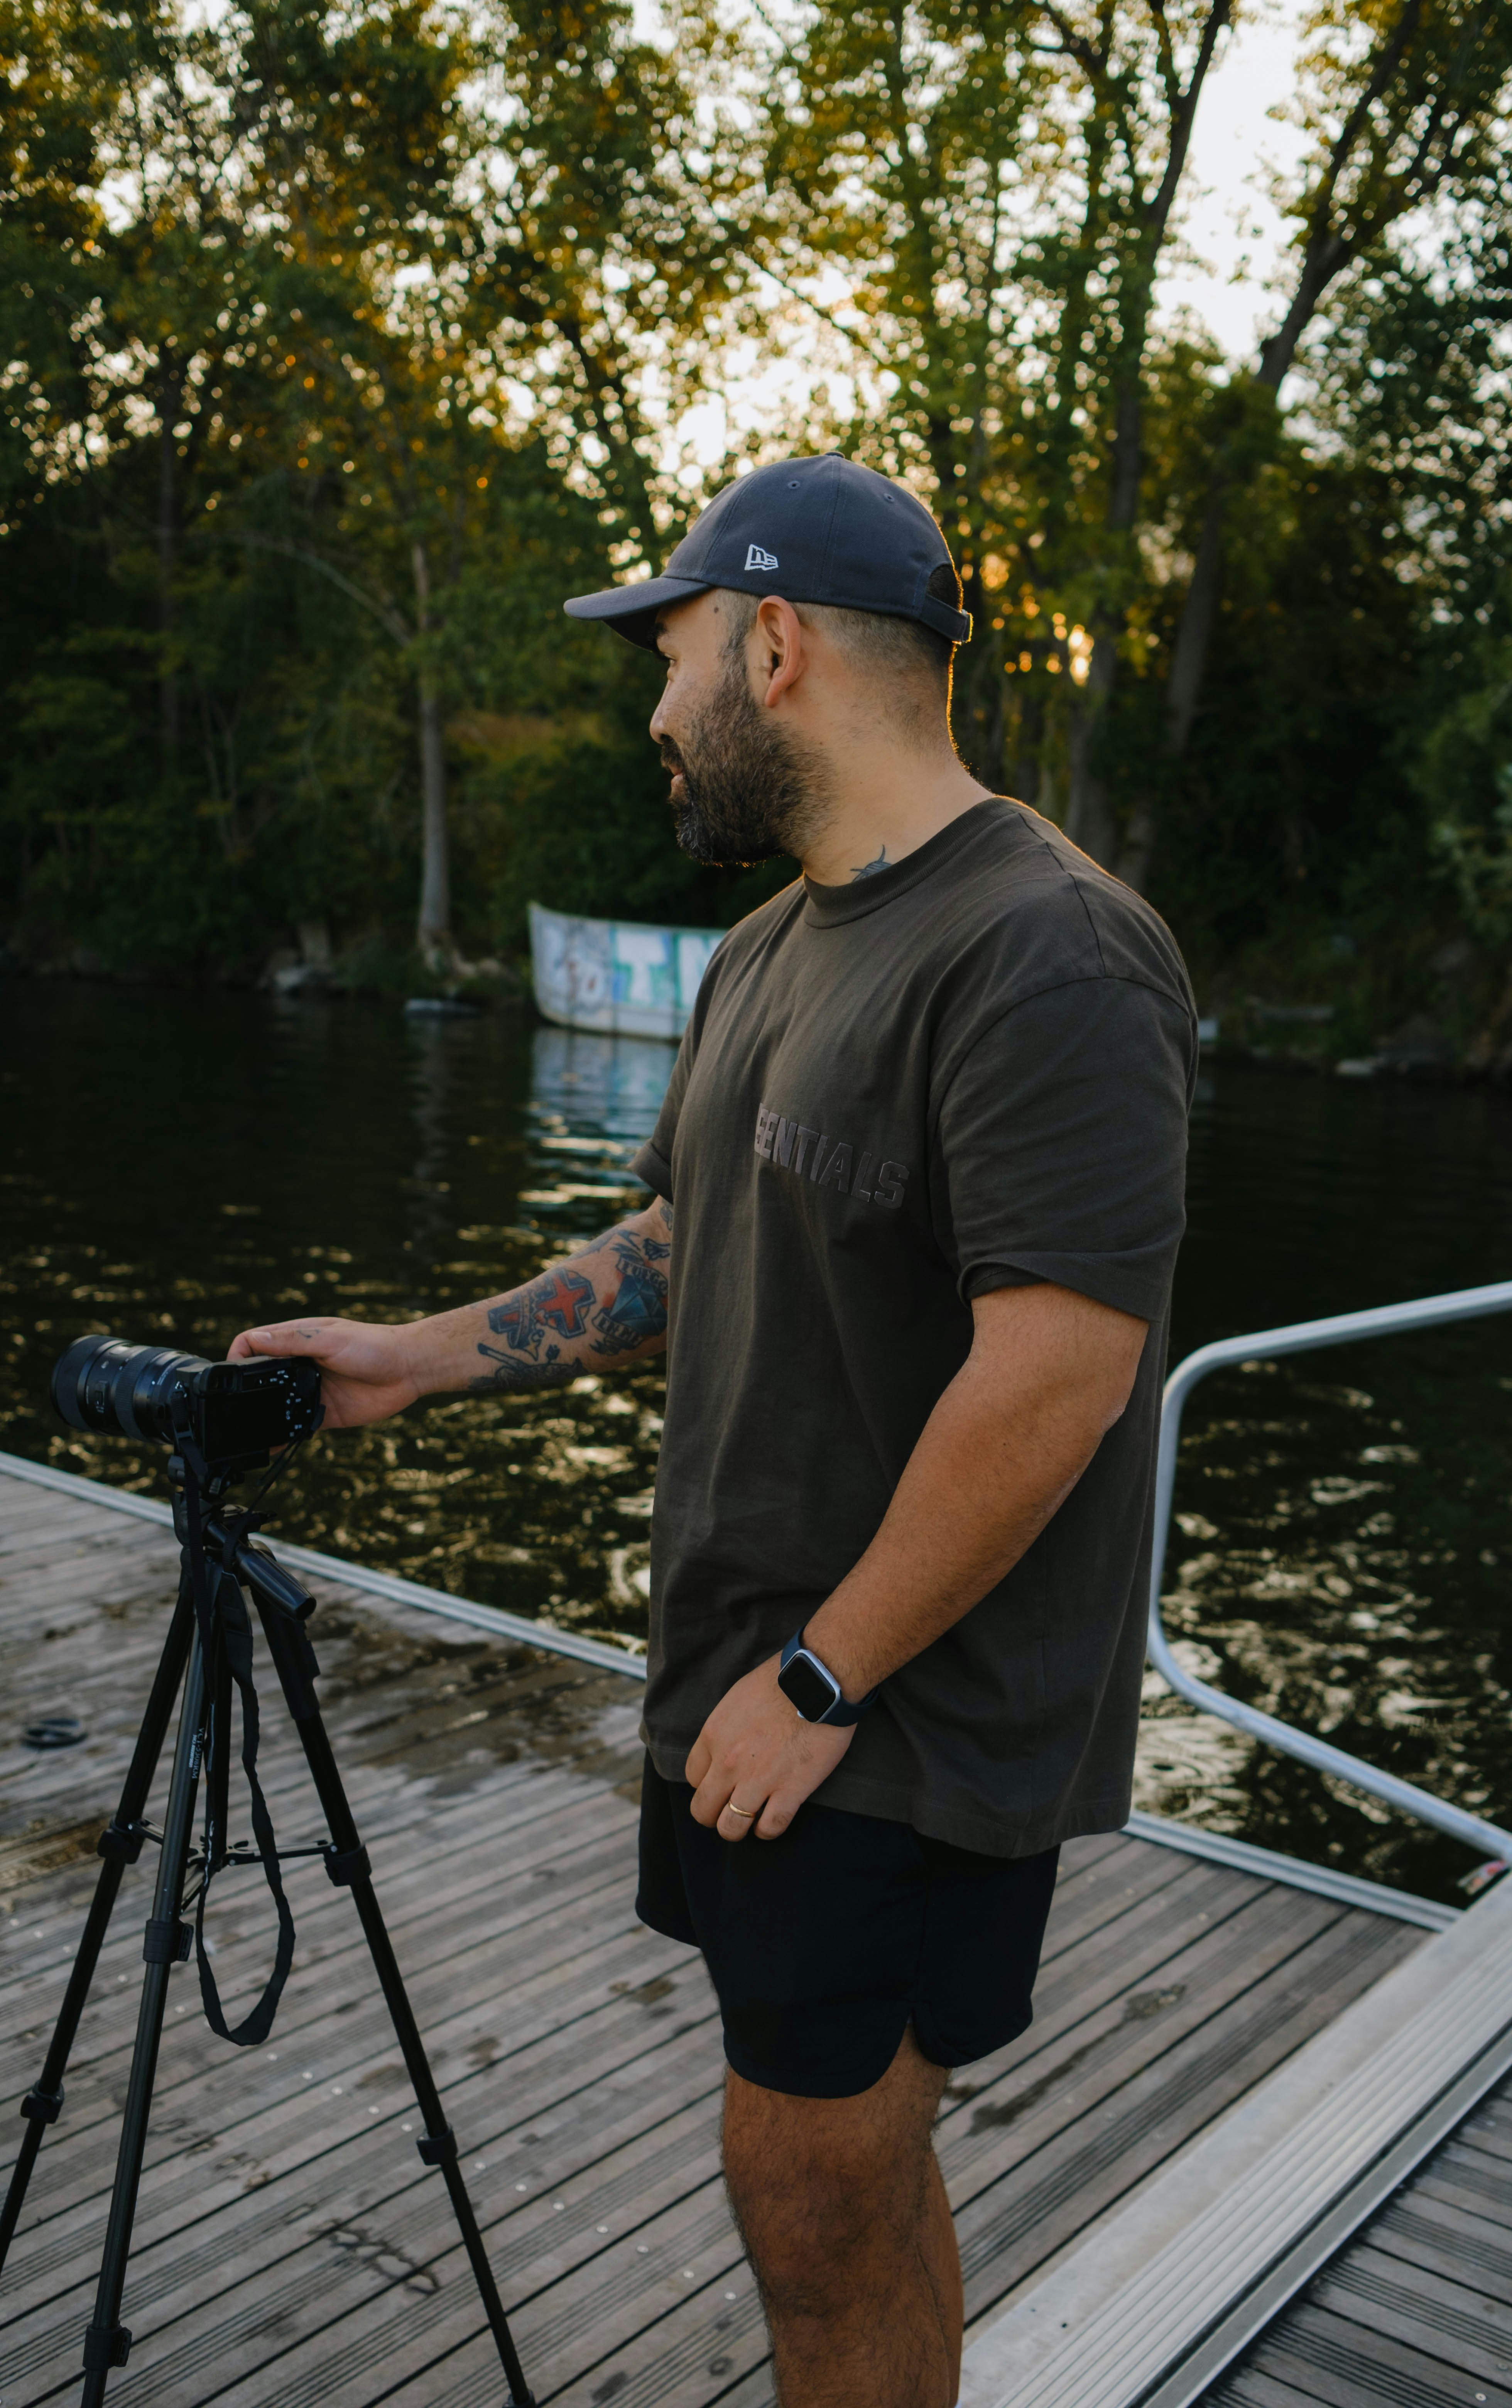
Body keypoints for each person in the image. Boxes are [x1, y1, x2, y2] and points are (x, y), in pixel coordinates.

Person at [230, 453, 1196, 2408]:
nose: (649, 715)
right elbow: (680, 1240)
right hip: (765, 1691)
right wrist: (409, 1359)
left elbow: (1058, 1367)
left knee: (810, 2191)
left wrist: (825, 1675)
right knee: (846, 2183)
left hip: (891, 1725)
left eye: (664, 662)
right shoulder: (774, 943)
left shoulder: (1045, 950)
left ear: (769, 647)